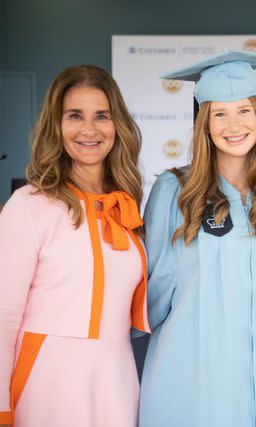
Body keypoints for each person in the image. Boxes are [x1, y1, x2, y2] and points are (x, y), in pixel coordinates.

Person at [139, 51, 256, 427]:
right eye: (220, 113)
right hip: (198, 381)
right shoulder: (175, 192)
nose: (233, 125)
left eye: (244, 111)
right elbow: (152, 297)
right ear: (204, 122)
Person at [0, 65, 150, 427]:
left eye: (102, 116)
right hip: (46, 380)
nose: (89, 129)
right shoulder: (29, 205)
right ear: (57, 125)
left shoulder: (125, 206)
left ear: (118, 126)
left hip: (116, 378)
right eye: (75, 116)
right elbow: (2, 319)